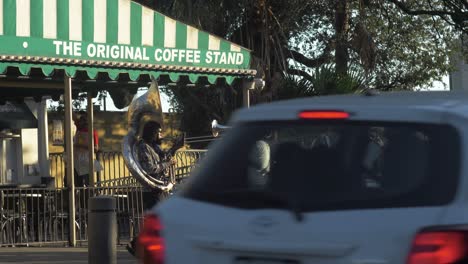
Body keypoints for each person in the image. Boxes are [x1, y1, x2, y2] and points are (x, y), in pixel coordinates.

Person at [127, 120, 176, 256]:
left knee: (160, 221)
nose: (160, 134)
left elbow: (164, 158)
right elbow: (150, 168)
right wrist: (167, 163)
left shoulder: (154, 146)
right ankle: (138, 244)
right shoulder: (143, 147)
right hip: (152, 190)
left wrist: (174, 148)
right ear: (152, 132)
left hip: (160, 188)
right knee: (159, 221)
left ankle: (138, 244)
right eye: (158, 132)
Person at [73, 114, 101, 187]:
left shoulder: (93, 132)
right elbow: (73, 117)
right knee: (77, 183)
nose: (81, 123)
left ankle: (88, 196)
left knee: (87, 182)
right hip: (76, 160)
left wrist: (81, 146)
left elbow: (96, 148)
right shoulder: (78, 130)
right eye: (81, 121)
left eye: (84, 121)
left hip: (86, 161)